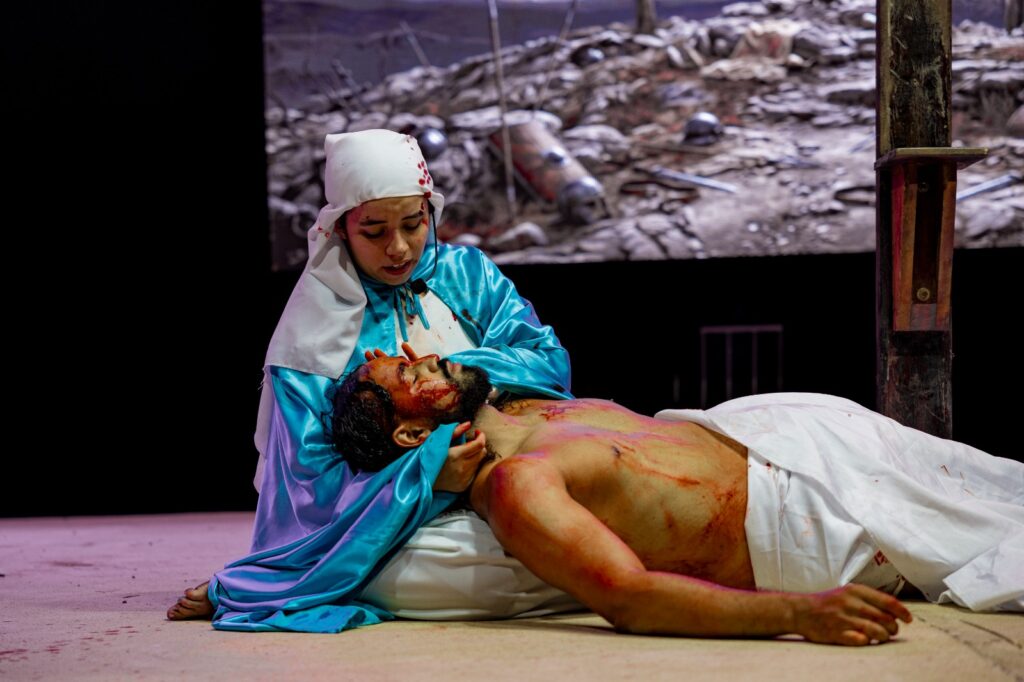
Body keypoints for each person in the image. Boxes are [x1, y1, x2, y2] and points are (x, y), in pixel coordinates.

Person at [167, 129, 577, 631]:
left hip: (505, 470)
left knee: (573, 492)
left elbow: (547, 362)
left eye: (413, 224)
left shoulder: (469, 274)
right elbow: (309, 489)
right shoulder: (313, 330)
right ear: (340, 229)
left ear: (430, 212)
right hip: (406, 517)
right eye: (375, 231)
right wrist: (427, 477)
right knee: (445, 565)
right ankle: (575, 568)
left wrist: (457, 371)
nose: (399, 249)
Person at [328, 352, 1024, 645]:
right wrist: (798, 614)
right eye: (404, 376)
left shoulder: (523, 403)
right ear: (411, 433)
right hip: (804, 519)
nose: (423, 357)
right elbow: (627, 597)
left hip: (803, 441)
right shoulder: (517, 485)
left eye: (408, 356)